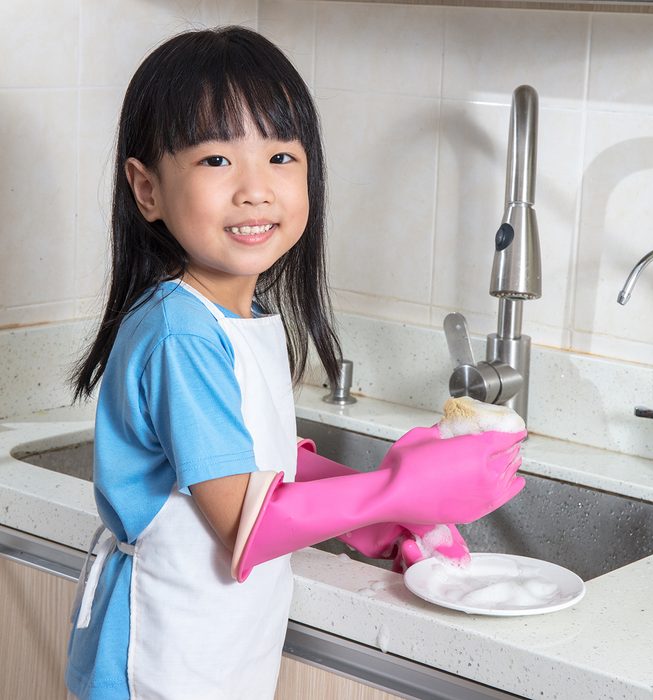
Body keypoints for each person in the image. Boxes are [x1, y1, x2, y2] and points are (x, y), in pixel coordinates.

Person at [65, 26, 526, 700]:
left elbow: (253, 458)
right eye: (216, 161)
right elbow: (247, 522)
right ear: (147, 189)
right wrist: (396, 488)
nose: (256, 189)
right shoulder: (180, 337)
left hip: (211, 656)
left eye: (281, 156)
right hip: (155, 663)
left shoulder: (233, 315)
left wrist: (373, 518)